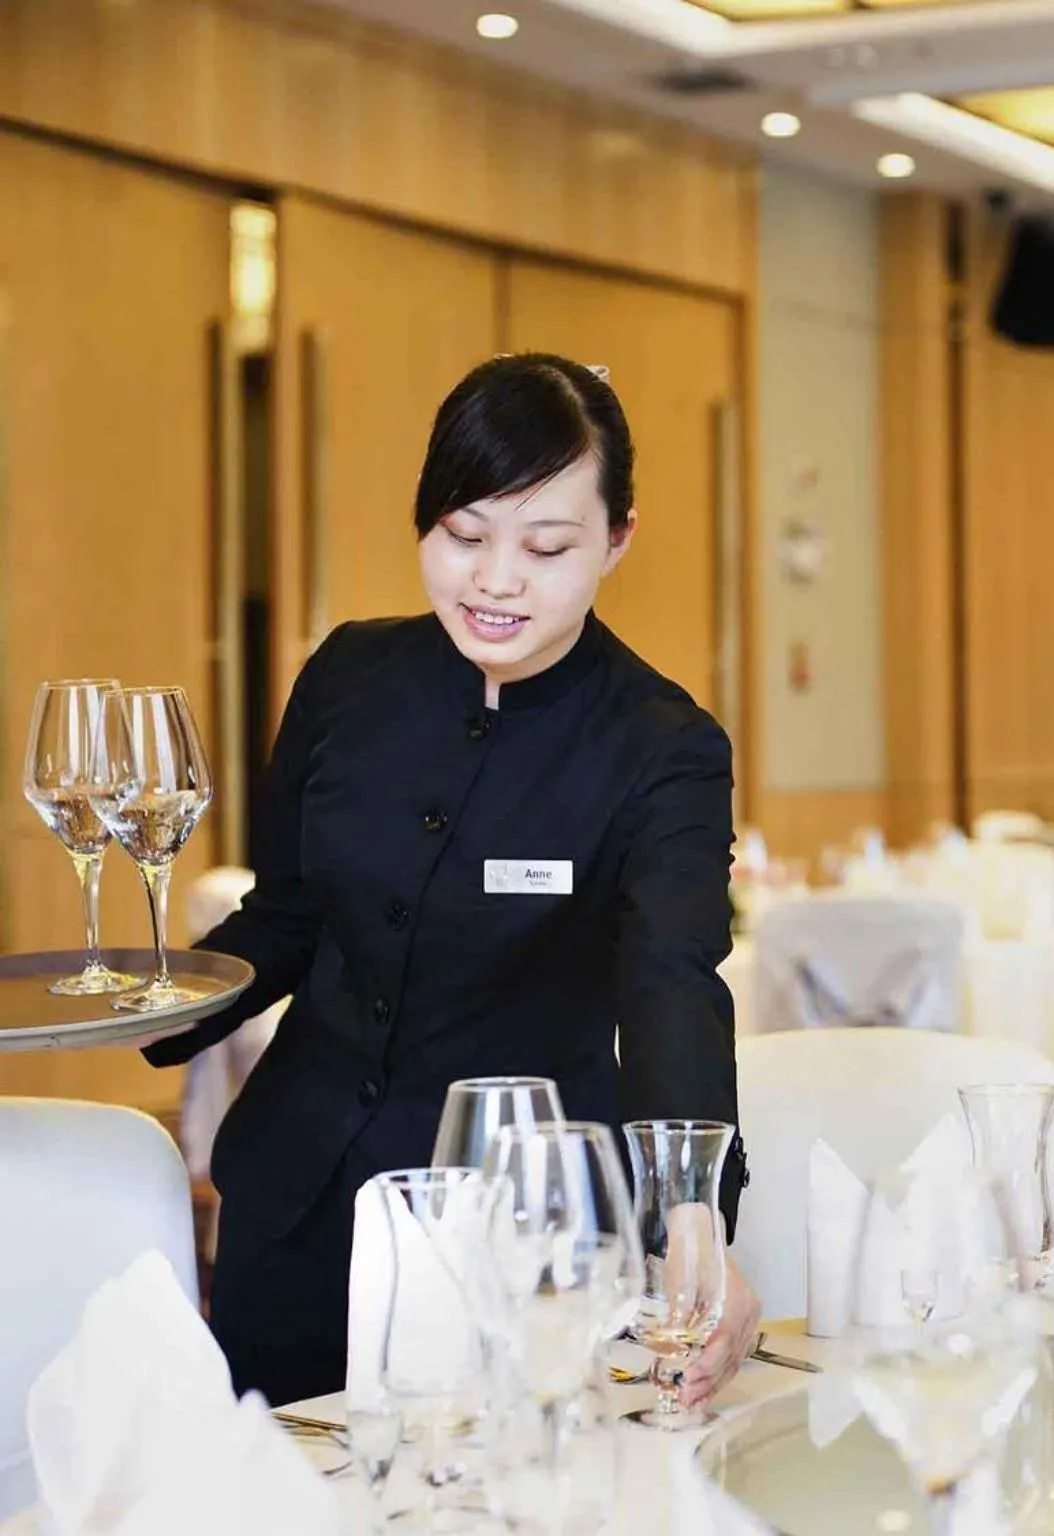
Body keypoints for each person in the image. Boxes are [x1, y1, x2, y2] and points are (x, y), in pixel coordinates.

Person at [145, 353, 759, 1406]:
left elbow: (670, 985)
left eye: (547, 546)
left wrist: (689, 1212)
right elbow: (286, 915)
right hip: (298, 1211)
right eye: (464, 536)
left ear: (617, 539)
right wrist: (155, 1001)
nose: (495, 579)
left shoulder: (661, 746)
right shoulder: (347, 675)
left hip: (517, 1236)